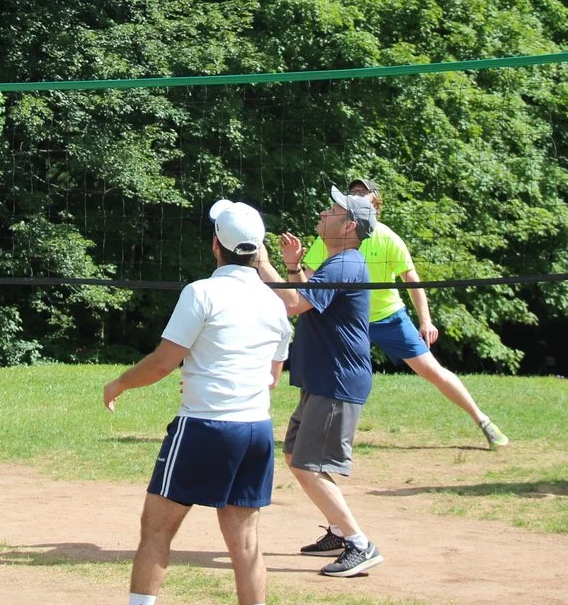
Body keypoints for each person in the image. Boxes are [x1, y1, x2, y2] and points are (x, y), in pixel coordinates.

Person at [104, 199, 291, 605]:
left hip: (205, 427)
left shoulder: (201, 292)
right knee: (245, 544)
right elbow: (271, 379)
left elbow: (161, 363)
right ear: (259, 251)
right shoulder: (275, 305)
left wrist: (118, 384)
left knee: (156, 530)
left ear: (215, 245)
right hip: (256, 430)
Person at [303, 177, 508, 450]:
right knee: (321, 369)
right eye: (354, 192)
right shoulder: (331, 235)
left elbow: (412, 279)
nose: (358, 195)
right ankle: (310, 430)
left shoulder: (388, 238)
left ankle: (483, 422)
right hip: (348, 320)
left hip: (388, 317)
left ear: (376, 204)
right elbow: (306, 280)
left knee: (432, 371)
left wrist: (426, 320)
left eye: (365, 193)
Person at [257, 187, 382, 578]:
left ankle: (360, 544)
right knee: (297, 456)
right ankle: (336, 530)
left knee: (309, 465)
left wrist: (262, 263)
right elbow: (300, 294)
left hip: (336, 383)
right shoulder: (336, 263)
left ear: (348, 226)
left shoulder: (345, 264)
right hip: (322, 380)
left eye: (332, 210)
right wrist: (291, 266)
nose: (323, 212)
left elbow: (292, 304)